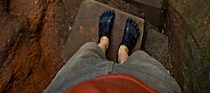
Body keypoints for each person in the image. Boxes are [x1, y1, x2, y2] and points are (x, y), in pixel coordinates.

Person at [44, 10, 181, 93]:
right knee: (141, 57)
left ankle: (103, 43)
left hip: (73, 85)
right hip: (147, 87)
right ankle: (124, 53)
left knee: (87, 50)